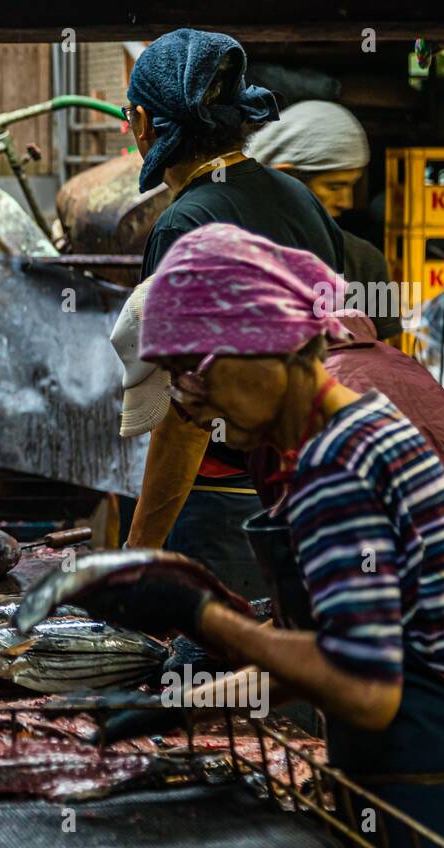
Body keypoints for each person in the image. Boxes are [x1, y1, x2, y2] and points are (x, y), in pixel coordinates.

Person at [113, 223, 444, 848]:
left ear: (262, 347)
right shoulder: (355, 430)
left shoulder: (333, 466)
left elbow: (365, 687)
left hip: (439, 807)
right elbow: (347, 643)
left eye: (191, 370)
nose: (188, 399)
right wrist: (185, 709)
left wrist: (202, 617)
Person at [121, 28, 344, 599]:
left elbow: (184, 414)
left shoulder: (183, 224)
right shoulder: (300, 199)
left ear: (146, 124)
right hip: (306, 491)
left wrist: (137, 554)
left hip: (221, 509)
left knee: (211, 674)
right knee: (285, 672)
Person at [246, 99, 401, 340]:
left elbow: (384, 365)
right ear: (285, 178)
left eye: (352, 186)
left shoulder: (363, 262)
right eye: (334, 186)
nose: (346, 202)